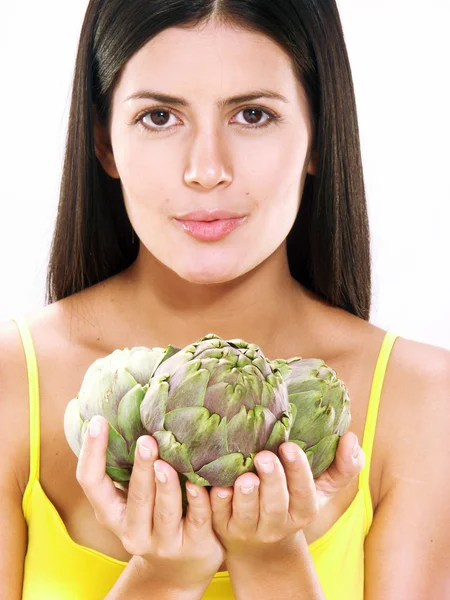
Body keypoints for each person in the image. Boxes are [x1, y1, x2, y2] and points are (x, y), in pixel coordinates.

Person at [1, 0, 449, 598]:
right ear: (104, 143)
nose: (207, 169)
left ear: (319, 137)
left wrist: (272, 561)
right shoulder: (9, 385)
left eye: (253, 114)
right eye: (160, 117)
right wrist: (163, 577)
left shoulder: (425, 404)